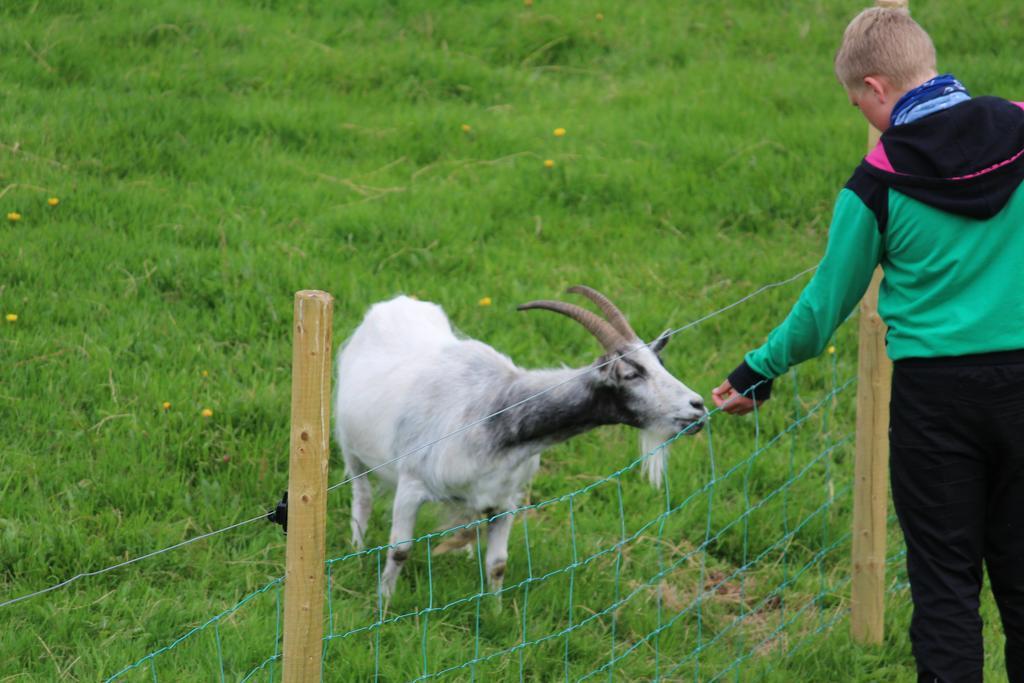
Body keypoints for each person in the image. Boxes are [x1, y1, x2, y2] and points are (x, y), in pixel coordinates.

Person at [710, 7, 1024, 683]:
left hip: (936, 408)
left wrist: (754, 373)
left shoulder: (877, 182)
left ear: (878, 87)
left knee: (945, 590)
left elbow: (824, 307)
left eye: (859, 104)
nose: (864, 118)